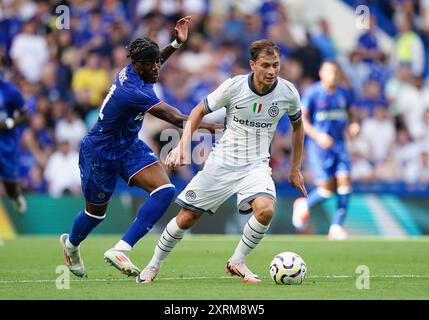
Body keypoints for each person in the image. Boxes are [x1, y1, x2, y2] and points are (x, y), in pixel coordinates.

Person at [60, 16, 220, 278]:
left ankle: (121, 248)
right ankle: (71, 245)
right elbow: (178, 118)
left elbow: (154, 63)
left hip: (129, 146)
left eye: (158, 61)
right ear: (137, 65)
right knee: (95, 214)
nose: (157, 67)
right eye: (151, 63)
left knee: (165, 190)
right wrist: (218, 127)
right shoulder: (134, 91)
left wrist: (175, 45)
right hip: (100, 152)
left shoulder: (138, 71)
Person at [137, 39, 307, 284]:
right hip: (223, 162)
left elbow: (298, 126)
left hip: (257, 164)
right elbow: (198, 111)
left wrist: (295, 168)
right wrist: (182, 145)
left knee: (266, 210)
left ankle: (237, 261)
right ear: (252, 65)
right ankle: (153, 265)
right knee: (186, 217)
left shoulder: (287, 92)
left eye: (276, 65)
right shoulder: (234, 87)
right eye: (266, 65)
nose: (272, 71)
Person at [292, 61, 359, 240]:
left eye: (336, 72)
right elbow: (302, 120)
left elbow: (352, 114)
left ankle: (336, 227)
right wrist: (318, 136)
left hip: (340, 146)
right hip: (320, 149)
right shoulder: (314, 93)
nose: (334, 75)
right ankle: (304, 204)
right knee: (327, 190)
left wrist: (354, 125)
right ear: (322, 73)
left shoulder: (344, 93)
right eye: (330, 72)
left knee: (345, 183)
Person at [0, 56, 29, 214]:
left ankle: (16, 197)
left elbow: (26, 115)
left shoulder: (11, 91)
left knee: (10, 186)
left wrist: (9, 123)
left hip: (6, 145)